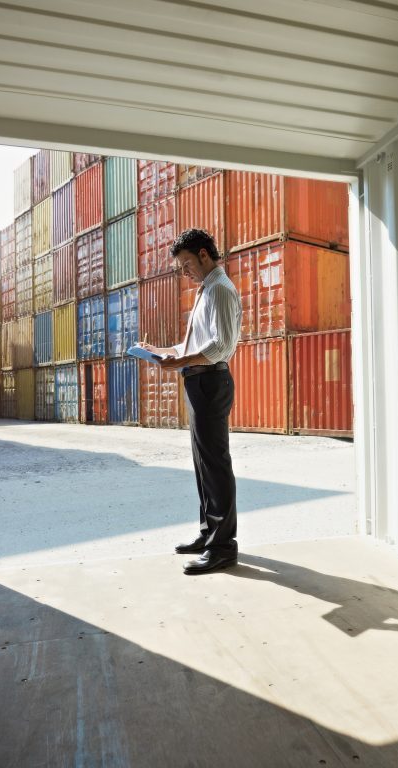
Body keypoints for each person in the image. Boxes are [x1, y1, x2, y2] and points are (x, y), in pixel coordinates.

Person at [140, 228, 242, 574]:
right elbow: (194, 347)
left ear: (203, 255)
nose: (185, 273)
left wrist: (180, 361)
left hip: (211, 383)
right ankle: (208, 534)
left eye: (186, 265)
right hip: (199, 383)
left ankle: (223, 547)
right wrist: (162, 352)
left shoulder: (220, 290)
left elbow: (221, 347)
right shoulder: (205, 291)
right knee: (202, 466)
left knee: (215, 466)